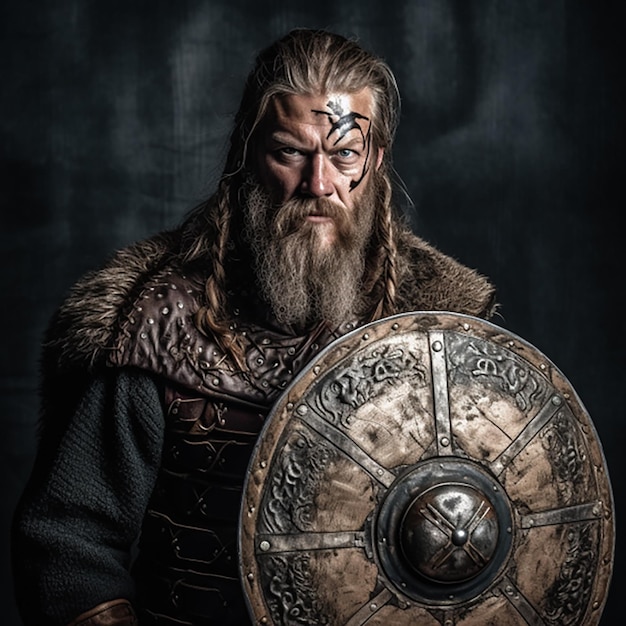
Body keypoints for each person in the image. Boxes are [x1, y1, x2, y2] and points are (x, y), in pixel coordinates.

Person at [11, 28, 497, 625]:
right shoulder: (159, 324)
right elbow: (69, 540)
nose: (317, 185)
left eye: (344, 154)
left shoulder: (441, 329)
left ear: (376, 160)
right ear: (248, 154)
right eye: (290, 151)